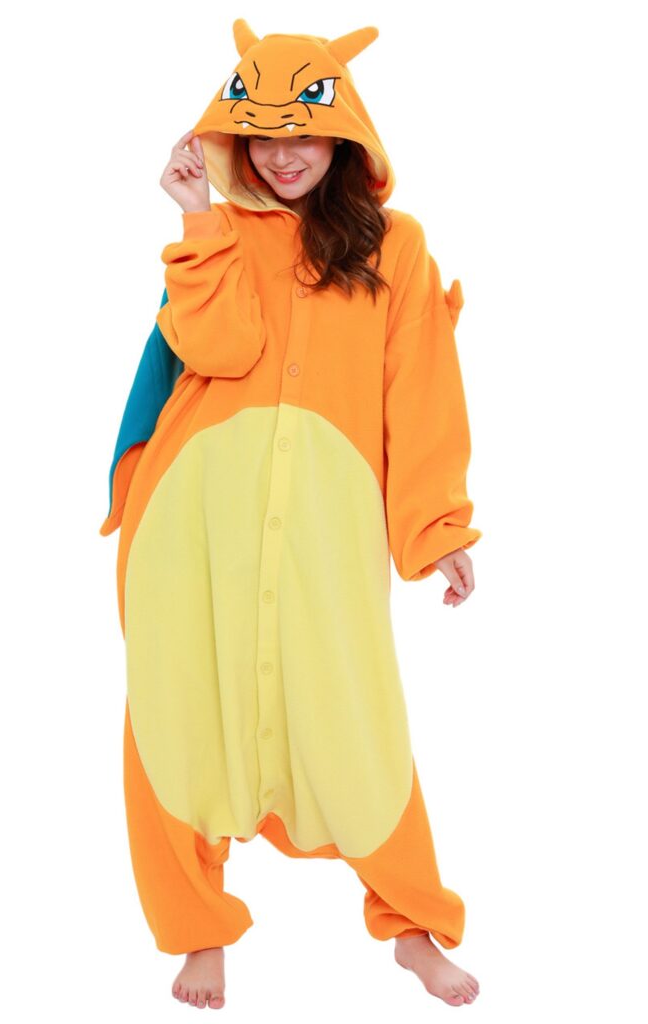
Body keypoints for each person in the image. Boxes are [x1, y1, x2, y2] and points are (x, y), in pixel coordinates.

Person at [100, 19, 482, 1011]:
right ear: (230, 137)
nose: (282, 152)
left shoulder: (397, 248)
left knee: (359, 724)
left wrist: (436, 525)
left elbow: (420, 392)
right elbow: (218, 351)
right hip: (194, 519)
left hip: (325, 522)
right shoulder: (221, 234)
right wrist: (196, 217)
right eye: (259, 133)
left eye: (303, 130)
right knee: (179, 717)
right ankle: (197, 931)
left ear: (344, 134)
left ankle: (412, 923)